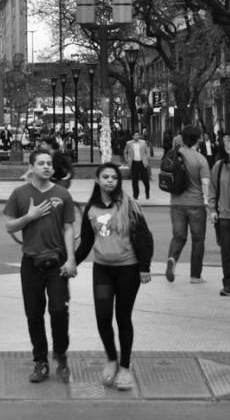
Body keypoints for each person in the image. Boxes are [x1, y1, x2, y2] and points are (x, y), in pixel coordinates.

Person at [75, 163, 153, 390]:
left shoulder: (129, 206)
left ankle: (125, 367)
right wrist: (71, 264)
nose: (110, 180)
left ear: (118, 181)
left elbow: (145, 237)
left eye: (114, 177)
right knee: (102, 317)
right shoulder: (91, 208)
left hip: (128, 270)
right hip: (103, 272)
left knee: (123, 317)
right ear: (98, 180)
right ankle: (111, 359)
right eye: (105, 177)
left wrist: (144, 267)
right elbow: (86, 243)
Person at [3, 149, 76, 384]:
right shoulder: (20, 194)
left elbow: (68, 228)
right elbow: (10, 226)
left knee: (58, 310)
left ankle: (61, 355)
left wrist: (71, 259)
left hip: (57, 263)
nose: (46, 167)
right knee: (34, 314)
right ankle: (40, 361)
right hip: (31, 263)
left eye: (49, 163)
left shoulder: (63, 194)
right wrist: (30, 216)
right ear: (31, 167)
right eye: (41, 163)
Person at [165, 124, 210, 284]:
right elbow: (205, 184)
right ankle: (195, 276)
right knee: (198, 239)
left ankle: (172, 259)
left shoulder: (174, 154)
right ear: (198, 139)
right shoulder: (200, 159)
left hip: (176, 203)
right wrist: (210, 206)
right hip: (196, 204)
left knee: (178, 236)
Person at [209, 133, 230, 296]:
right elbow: (212, 190)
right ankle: (229, 284)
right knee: (227, 252)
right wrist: (212, 210)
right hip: (225, 216)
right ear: (227, 149)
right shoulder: (219, 167)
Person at [123, 130, 151, 200]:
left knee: (146, 180)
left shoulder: (143, 142)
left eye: (138, 135)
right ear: (132, 136)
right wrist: (127, 160)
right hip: (134, 163)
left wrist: (147, 160)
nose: (137, 136)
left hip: (142, 163)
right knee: (134, 181)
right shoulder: (129, 143)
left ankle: (147, 193)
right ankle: (136, 195)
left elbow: (147, 152)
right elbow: (125, 152)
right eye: (135, 135)